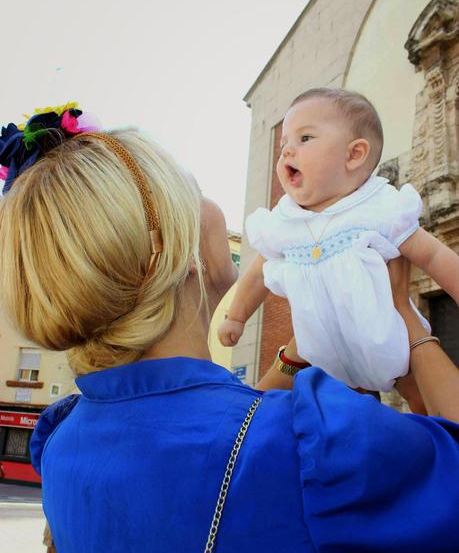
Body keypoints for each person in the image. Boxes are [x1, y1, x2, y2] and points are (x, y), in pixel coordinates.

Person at [1, 104, 459, 553]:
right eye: (193, 189)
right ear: (173, 254)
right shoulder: (310, 447)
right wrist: (406, 321)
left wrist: (295, 355)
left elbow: (218, 431)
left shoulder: (63, 439)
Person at [218, 88, 459, 408]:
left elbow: (433, 255)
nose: (288, 150)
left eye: (304, 138)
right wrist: (236, 316)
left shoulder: (379, 207)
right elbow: (259, 271)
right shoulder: (284, 220)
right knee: (287, 407)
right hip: (317, 356)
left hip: (388, 342)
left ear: (354, 154)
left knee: (421, 401)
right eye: (283, 144)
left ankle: (433, 440)